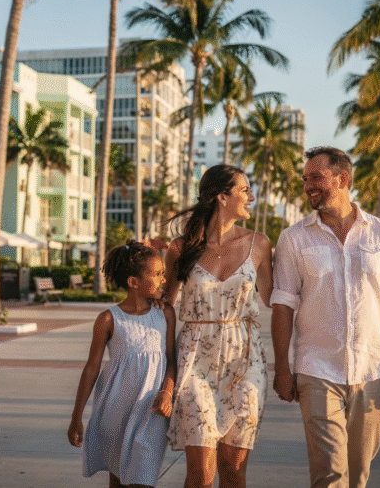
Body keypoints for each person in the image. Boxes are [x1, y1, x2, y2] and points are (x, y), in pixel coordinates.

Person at [271, 146, 380, 488]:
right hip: (317, 369)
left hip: (372, 370)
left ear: (343, 179)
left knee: (358, 473)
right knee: (330, 475)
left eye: (316, 178)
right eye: (306, 179)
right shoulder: (294, 238)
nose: (308, 186)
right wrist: (283, 366)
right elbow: (283, 304)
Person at [162, 164, 273, 488]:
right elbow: (166, 305)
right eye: (244, 190)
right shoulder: (181, 248)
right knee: (200, 473)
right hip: (195, 359)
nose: (251, 197)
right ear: (222, 197)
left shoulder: (260, 244)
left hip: (245, 361)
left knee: (234, 470)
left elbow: (275, 299)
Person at [68, 240, 176, 488]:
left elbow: (171, 359)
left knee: (142, 479)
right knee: (117, 480)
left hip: (152, 411)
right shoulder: (107, 319)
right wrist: (76, 417)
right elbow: (91, 368)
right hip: (114, 411)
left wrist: (168, 392)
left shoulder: (165, 313)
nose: (163, 279)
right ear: (133, 282)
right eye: (157, 274)